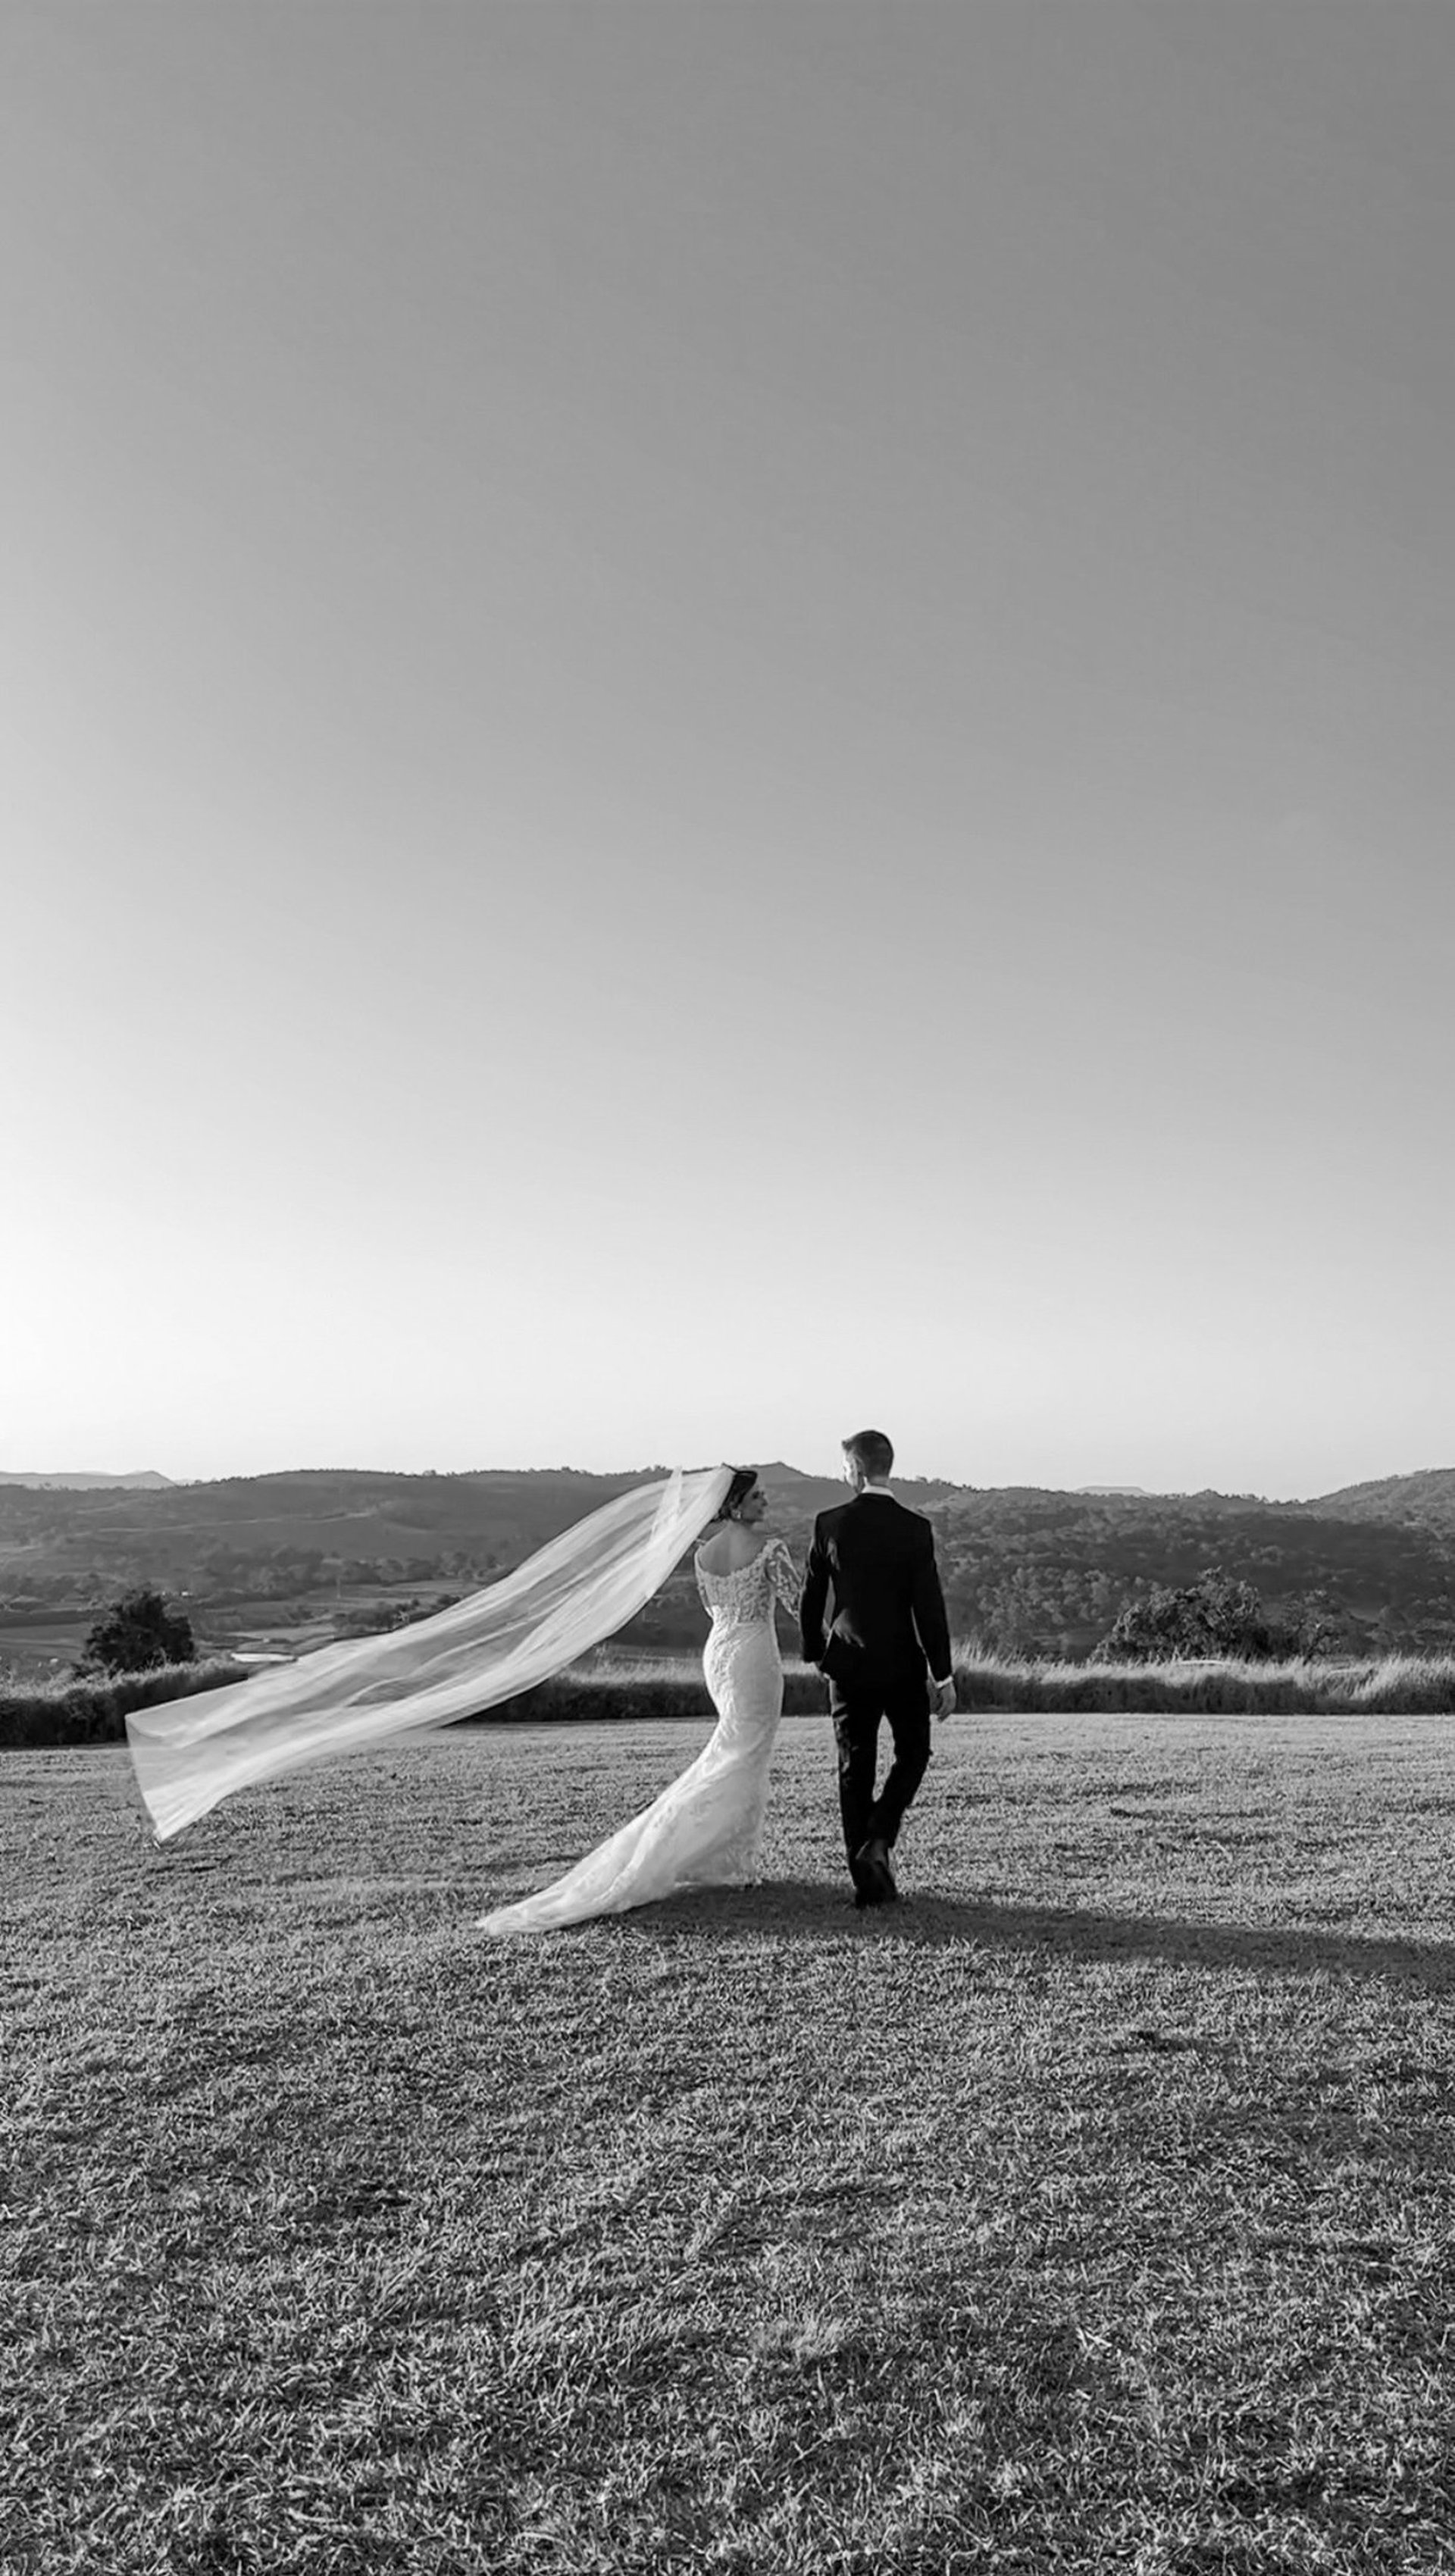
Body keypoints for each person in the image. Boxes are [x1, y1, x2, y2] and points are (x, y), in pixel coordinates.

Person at [477, 1468, 800, 1934]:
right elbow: (797, 1600)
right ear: (734, 1505)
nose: (765, 1500)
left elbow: (713, 1611)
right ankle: (728, 1862)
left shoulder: (704, 1557)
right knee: (747, 1754)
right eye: (756, 1495)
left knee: (734, 1751)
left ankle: (727, 1860)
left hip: (719, 1654)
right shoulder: (771, 1551)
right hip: (753, 1655)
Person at [799, 1428, 955, 1908]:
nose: (842, 1473)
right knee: (914, 1754)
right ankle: (879, 1838)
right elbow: (929, 1606)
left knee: (854, 1767)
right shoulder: (915, 1528)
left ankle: (867, 1877)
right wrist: (943, 1674)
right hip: (904, 1664)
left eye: (844, 1466)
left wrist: (816, 1654)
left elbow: (811, 1599)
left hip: (846, 1664)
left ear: (858, 1469)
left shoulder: (830, 1523)